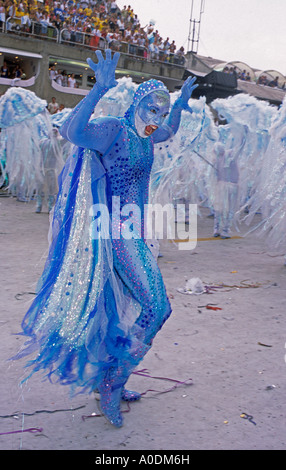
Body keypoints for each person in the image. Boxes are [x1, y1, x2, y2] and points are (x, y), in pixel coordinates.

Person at [15, 49, 198, 428]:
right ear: (136, 104)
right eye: (152, 109)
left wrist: (178, 106)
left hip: (135, 233)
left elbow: (171, 131)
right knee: (156, 307)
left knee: (122, 312)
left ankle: (109, 376)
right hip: (113, 233)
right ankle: (113, 382)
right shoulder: (114, 129)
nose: (156, 120)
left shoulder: (148, 135)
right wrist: (97, 90)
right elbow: (72, 132)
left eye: (160, 112)